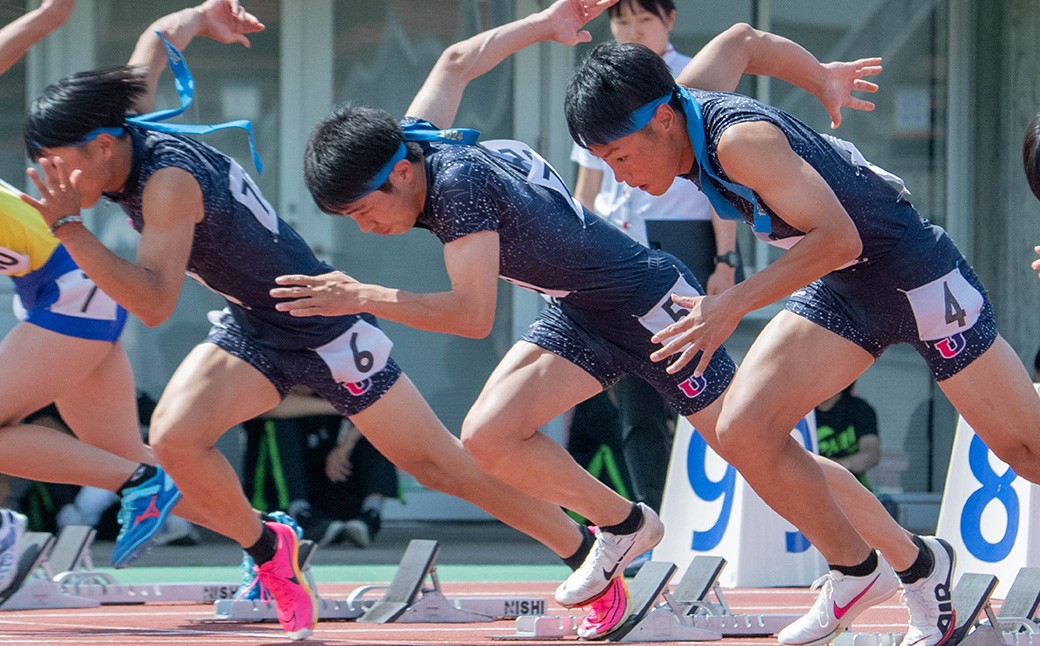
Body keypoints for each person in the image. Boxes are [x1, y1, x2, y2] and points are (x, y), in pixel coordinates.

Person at [274, 8, 929, 642]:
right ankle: (623, 526)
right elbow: (456, 60)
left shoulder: (457, 191)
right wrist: (545, 23)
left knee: (761, 450)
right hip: (580, 309)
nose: (366, 228)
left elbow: (472, 316)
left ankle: (913, 561)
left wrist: (359, 294)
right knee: (490, 436)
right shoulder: (414, 140)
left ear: (401, 174)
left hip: (649, 302)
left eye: (363, 212)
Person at [20, 2, 634, 639]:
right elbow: (157, 35)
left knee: (441, 467)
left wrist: (67, 227)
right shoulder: (122, 127)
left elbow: (152, 303)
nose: (49, 180)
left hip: (322, 320)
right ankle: (270, 551)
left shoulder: (167, 182)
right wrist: (204, 14)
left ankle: (586, 557)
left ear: (101, 146)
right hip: (255, 324)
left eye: (56, 165)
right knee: (175, 440)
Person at [565, 35, 1040, 646]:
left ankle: (887, 570)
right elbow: (742, 40)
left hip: (914, 273)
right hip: (844, 286)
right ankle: (869, 570)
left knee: (1027, 453)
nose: (619, 176)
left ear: (661, 120)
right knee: (744, 429)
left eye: (620, 156)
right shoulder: (683, 97)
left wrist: (730, 304)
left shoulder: (738, 142)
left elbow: (839, 237)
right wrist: (820, 77)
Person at [0, 0, 261, 571]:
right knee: (115, 453)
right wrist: (199, 17)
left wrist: (47, 18)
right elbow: (153, 48)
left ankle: (136, 484)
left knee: (123, 466)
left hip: (71, 290)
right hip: (62, 292)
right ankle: (270, 542)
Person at [569, 0, 740, 524]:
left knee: (699, 384)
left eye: (643, 19)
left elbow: (721, 181)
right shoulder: (597, 91)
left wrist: (726, 259)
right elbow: (586, 190)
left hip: (682, 241)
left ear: (669, 20)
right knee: (636, 396)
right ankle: (655, 522)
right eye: (621, 21)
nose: (632, 30)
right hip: (617, 246)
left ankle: (712, 520)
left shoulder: (691, 78)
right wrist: (573, 254)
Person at [814, 382, 880, 490]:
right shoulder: (799, 412)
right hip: (812, 491)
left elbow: (871, 455)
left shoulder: (859, 409)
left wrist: (834, 466)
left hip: (853, 491)